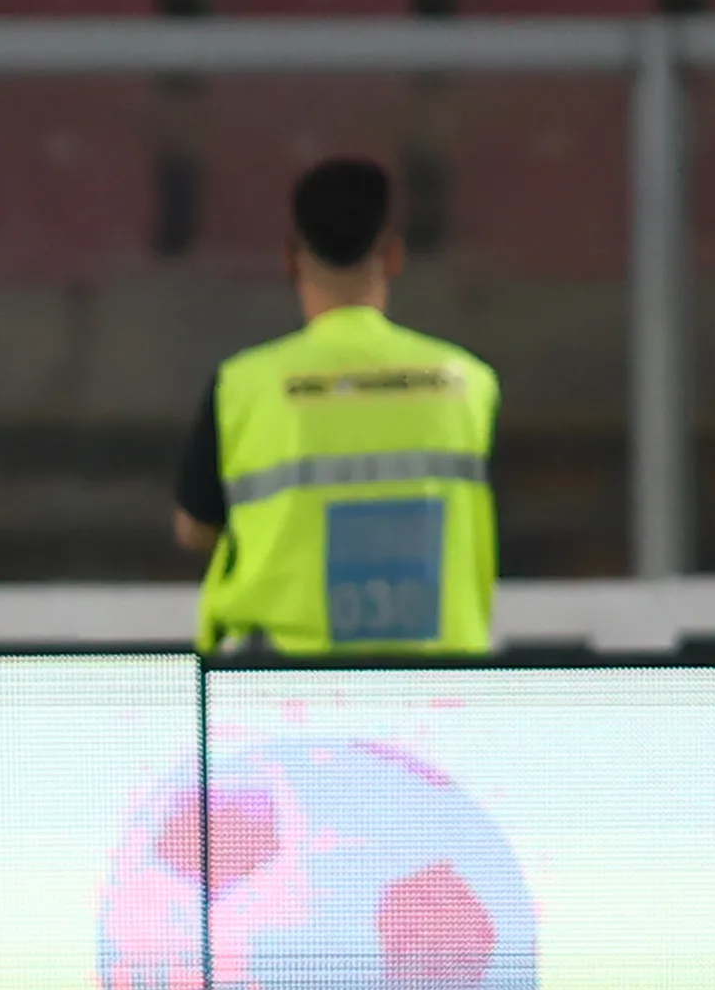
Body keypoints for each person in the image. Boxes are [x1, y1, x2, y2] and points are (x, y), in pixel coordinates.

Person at [174, 158, 499, 657]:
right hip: (435, 678)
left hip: (277, 681)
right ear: (393, 255)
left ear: (290, 259)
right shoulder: (469, 383)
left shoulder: (242, 387)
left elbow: (195, 529)